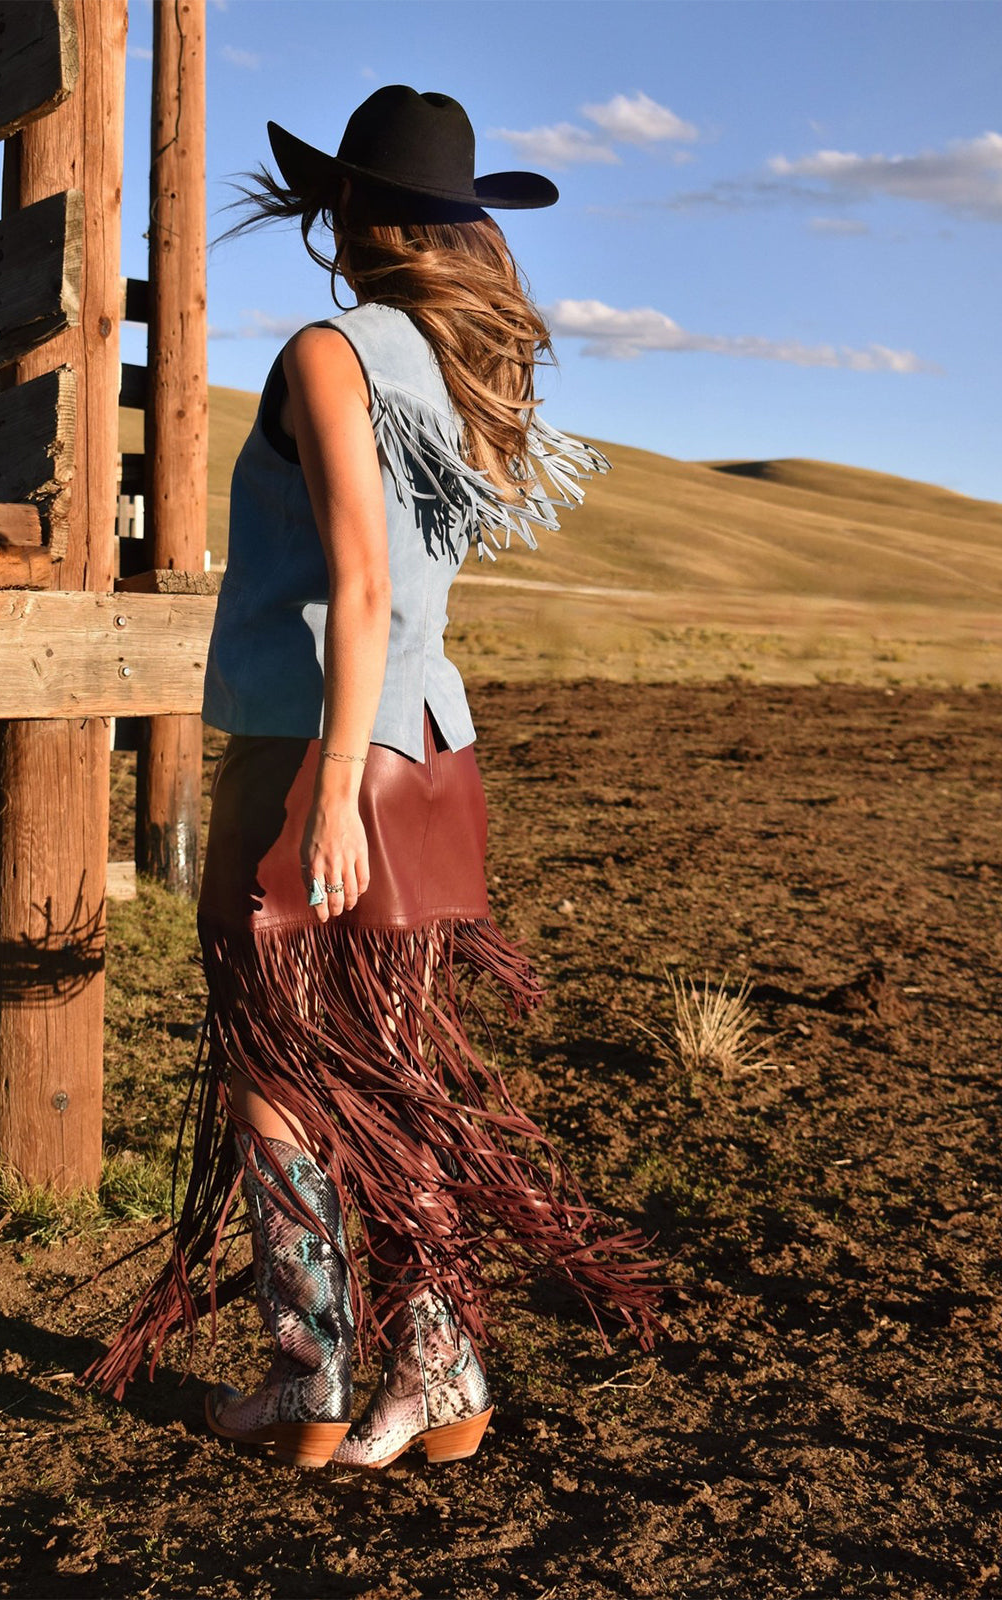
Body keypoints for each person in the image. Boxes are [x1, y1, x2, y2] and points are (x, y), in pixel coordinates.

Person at [86, 85, 662, 1469]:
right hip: (434, 745)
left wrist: (332, 781)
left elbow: (355, 579)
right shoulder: (464, 364)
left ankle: (311, 1377)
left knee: (276, 1070)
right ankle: (439, 1372)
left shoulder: (333, 353)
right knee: (389, 1067)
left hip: (317, 751)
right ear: (457, 226)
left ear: (352, 214)